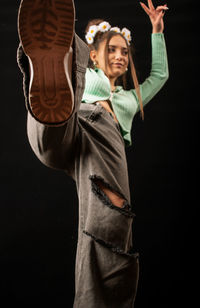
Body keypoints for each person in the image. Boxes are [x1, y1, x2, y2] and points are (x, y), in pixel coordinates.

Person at [17, 0, 169, 307]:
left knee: (109, 220)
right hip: (74, 117)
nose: (120, 56)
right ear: (97, 57)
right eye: (112, 49)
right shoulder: (91, 76)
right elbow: (89, 58)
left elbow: (160, 76)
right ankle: (54, 71)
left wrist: (156, 31)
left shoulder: (128, 99)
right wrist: (82, 52)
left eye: (125, 52)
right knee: (55, 124)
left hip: (99, 145)